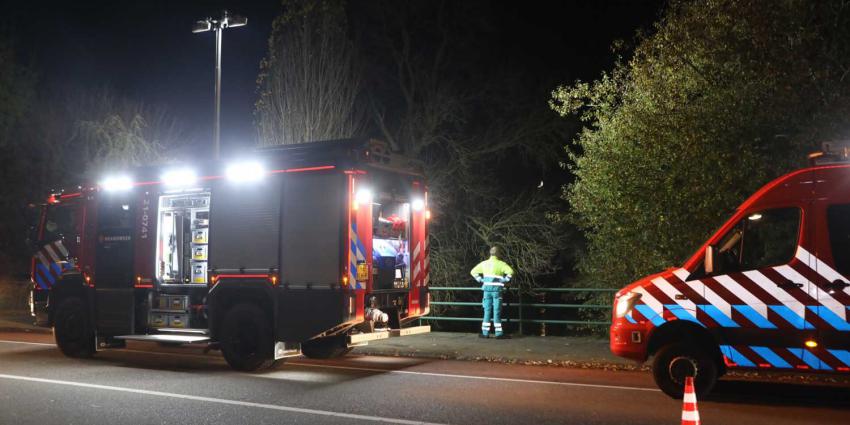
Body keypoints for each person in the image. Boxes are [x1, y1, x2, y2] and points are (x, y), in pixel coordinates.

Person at [470, 246, 514, 339]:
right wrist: (504, 280)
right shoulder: (501, 264)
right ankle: (498, 333)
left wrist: (480, 280)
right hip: (497, 291)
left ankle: (485, 333)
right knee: (497, 311)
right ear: (498, 254)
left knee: (487, 311)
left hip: (486, 290)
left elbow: (473, 271)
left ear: (490, 253)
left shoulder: (484, 264)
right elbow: (511, 272)